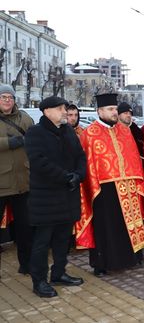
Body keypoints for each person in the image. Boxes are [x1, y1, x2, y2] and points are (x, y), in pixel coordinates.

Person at [76, 93, 144, 276]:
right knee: (107, 227)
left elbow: (133, 159)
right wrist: (93, 189)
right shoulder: (90, 133)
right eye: (110, 109)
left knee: (128, 224)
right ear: (99, 111)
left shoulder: (124, 130)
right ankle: (102, 263)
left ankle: (132, 257)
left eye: (115, 109)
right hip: (103, 189)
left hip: (129, 186)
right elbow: (87, 164)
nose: (114, 113)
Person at [25, 96, 86, 298]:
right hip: (46, 198)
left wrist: (78, 175)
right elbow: (39, 162)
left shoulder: (68, 131)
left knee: (62, 239)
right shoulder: (35, 133)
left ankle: (59, 273)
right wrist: (65, 177)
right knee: (42, 242)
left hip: (67, 195)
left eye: (65, 108)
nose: (64, 112)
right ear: (46, 111)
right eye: (60, 109)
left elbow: (80, 156)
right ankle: (39, 281)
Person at [0, 84, 34, 275]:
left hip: (23, 182)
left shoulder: (24, 118)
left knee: (25, 228)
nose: (7, 100)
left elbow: (35, 139)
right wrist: (6, 143)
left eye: (10, 97)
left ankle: (27, 264)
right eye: (3, 97)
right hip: (1, 183)